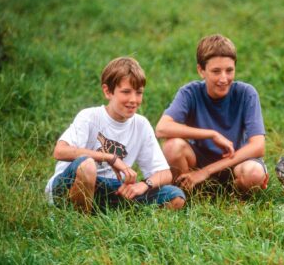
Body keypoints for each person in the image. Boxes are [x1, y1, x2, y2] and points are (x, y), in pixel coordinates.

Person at [45, 57, 186, 212]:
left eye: (139, 93)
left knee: (175, 196)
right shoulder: (89, 116)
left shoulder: (141, 124)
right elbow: (60, 151)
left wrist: (144, 185)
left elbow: (165, 173)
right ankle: (79, 222)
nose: (133, 100)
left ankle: (115, 216)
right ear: (107, 91)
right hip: (69, 185)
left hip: (113, 189)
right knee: (87, 166)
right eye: (126, 92)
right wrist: (110, 157)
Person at [155, 34, 268, 193]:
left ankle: (234, 199)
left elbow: (258, 146)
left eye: (229, 70)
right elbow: (161, 128)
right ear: (201, 70)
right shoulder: (190, 92)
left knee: (254, 173)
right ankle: (189, 193)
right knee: (172, 147)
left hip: (236, 161)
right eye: (216, 71)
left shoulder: (246, 93)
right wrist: (211, 134)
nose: (223, 78)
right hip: (200, 160)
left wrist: (206, 171)